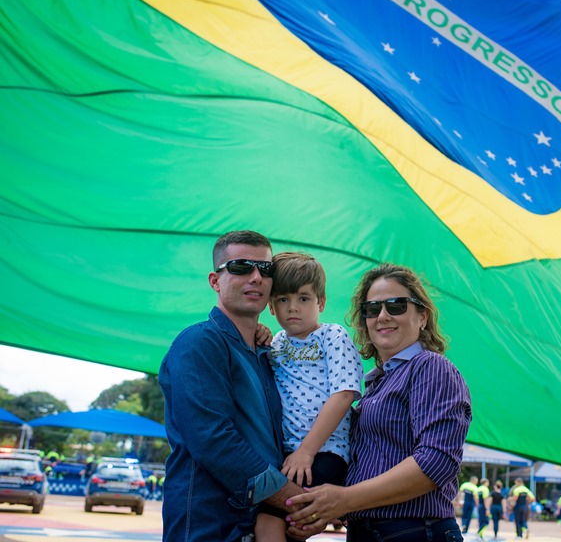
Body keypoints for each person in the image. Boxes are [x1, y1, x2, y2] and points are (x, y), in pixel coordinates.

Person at [285, 263, 472, 541]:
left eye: (396, 305)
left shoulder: (430, 367)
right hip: (367, 532)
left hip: (415, 532)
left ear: (422, 316)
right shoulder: (375, 384)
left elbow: (435, 462)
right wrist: (325, 509)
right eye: (372, 309)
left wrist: (346, 499)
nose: (382, 316)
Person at [158, 230, 317, 541]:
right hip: (210, 527)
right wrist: (298, 501)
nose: (256, 277)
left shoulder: (270, 355)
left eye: (266, 269)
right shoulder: (199, 343)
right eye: (242, 267)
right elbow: (214, 440)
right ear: (215, 281)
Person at [254, 252, 363, 542]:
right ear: (271, 307)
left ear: (321, 303)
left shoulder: (332, 336)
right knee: (279, 525)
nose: (293, 308)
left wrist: (307, 451)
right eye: (283, 300)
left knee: (274, 517)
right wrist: (260, 332)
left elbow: (345, 394)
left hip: (325, 451)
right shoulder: (275, 343)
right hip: (286, 454)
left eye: (303, 299)